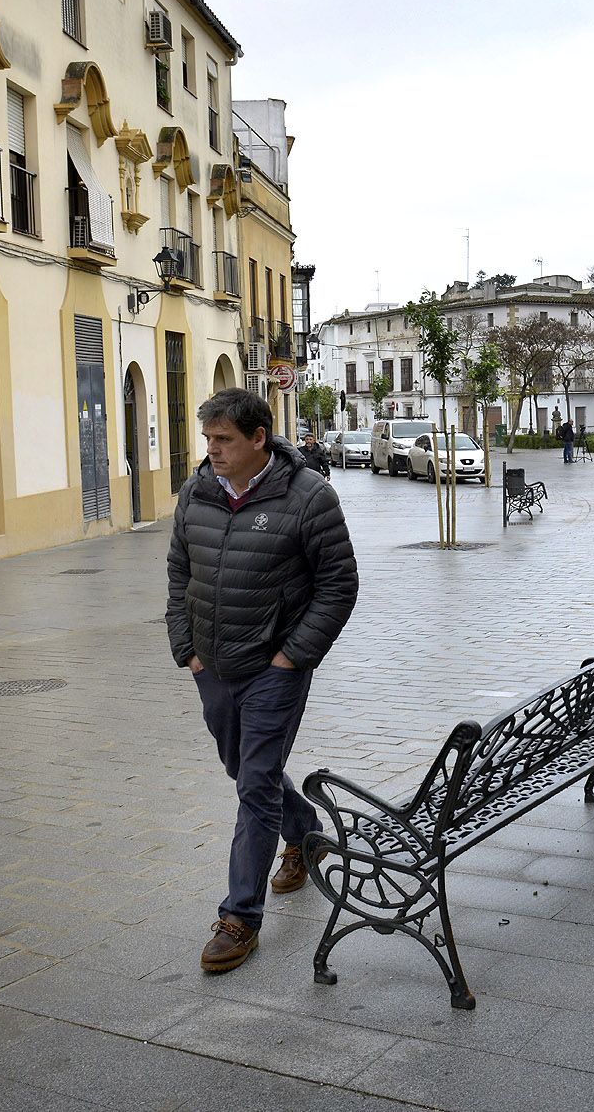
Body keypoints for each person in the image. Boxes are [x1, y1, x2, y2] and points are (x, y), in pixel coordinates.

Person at [166, 388, 358, 974]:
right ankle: (302, 833)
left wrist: (292, 657)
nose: (212, 451)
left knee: (253, 784)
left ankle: (239, 918)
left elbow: (338, 587)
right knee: (246, 769)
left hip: (274, 670)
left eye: (224, 440)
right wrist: (187, 651)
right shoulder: (196, 493)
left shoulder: (309, 498)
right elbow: (179, 573)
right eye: (208, 439)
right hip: (213, 668)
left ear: (258, 438)